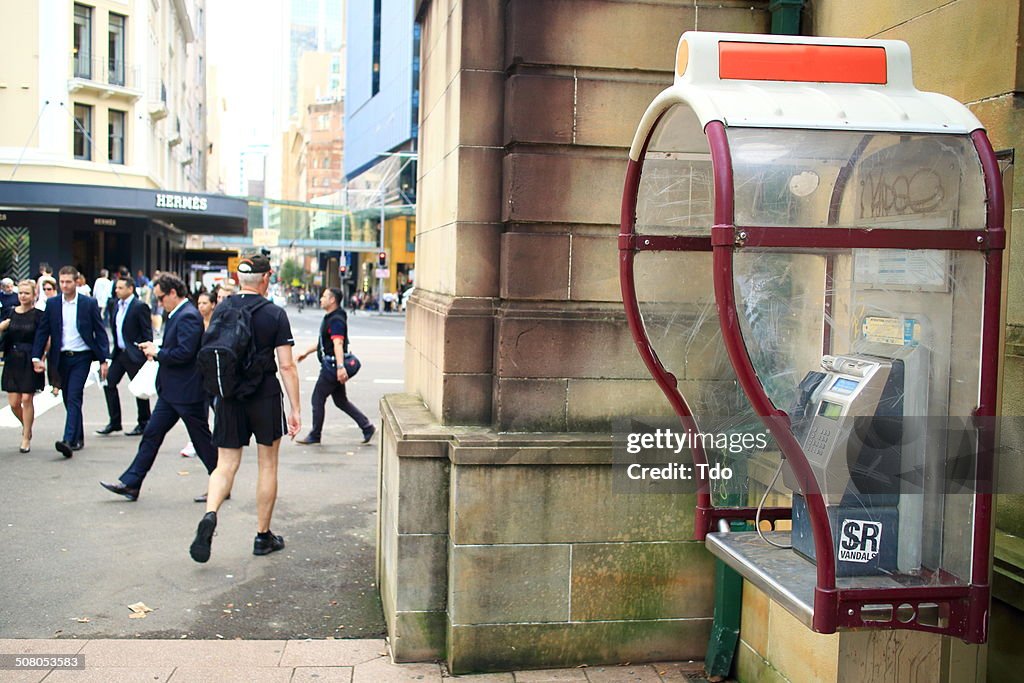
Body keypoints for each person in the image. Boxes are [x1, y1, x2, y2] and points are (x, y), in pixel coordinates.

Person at [189, 253, 301, 563]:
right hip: (263, 394)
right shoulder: (274, 314)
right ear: (266, 279)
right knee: (267, 464)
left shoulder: (223, 308)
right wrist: (296, 409)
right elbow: (287, 366)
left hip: (229, 396)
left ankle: (211, 514)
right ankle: (262, 536)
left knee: (225, 464)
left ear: (239, 280)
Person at [99, 274, 218, 501]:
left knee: (202, 441)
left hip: (186, 392)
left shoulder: (187, 316)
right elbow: (179, 347)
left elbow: (185, 353)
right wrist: (158, 347)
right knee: (152, 435)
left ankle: (221, 481)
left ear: (173, 293)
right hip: (173, 391)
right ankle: (131, 483)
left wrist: (158, 353)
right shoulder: (178, 314)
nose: (159, 303)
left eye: (161, 298)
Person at [31, 266, 109, 458]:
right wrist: (36, 356)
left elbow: (100, 332)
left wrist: (103, 359)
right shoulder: (53, 304)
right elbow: (43, 331)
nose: (65, 285)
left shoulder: (88, 303)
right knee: (68, 399)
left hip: (82, 357)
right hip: (60, 358)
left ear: (77, 282)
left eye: (69, 282)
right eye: (62, 282)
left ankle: (67, 440)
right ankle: (78, 437)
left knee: (74, 396)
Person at [296, 287, 375, 446]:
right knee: (340, 401)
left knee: (317, 398)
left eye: (324, 296)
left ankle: (315, 434)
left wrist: (340, 367)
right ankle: (367, 427)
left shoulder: (336, 319)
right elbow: (324, 343)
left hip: (332, 366)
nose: (321, 299)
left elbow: (338, 344)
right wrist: (306, 352)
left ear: (332, 300)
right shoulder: (332, 316)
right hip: (332, 364)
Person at [97, 277, 152, 437]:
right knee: (109, 383)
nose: (117, 290)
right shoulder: (115, 304)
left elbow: (146, 330)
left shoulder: (139, 306)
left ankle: (144, 422)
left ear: (130, 289)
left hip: (135, 354)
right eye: (117, 287)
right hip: (120, 353)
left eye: (120, 288)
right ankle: (115, 422)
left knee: (138, 389)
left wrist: (146, 351)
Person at [0, 280, 45, 452]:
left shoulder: (39, 315)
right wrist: (3, 326)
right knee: (13, 402)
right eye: (21, 293)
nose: (23, 296)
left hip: (30, 358)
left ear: (34, 295)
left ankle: (26, 437)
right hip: (13, 358)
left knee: (27, 398)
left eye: (27, 293)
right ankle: (27, 427)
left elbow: (44, 340)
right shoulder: (10, 312)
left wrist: (41, 358)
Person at [180, 291, 216, 460]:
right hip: (198, 373)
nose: (201, 306)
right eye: (199, 303)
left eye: (205, 303)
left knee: (219, 407)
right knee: (200, 410)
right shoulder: (194, 321)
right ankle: (196, 442)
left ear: (213, 305)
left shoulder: (218, 323)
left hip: (214, 372)